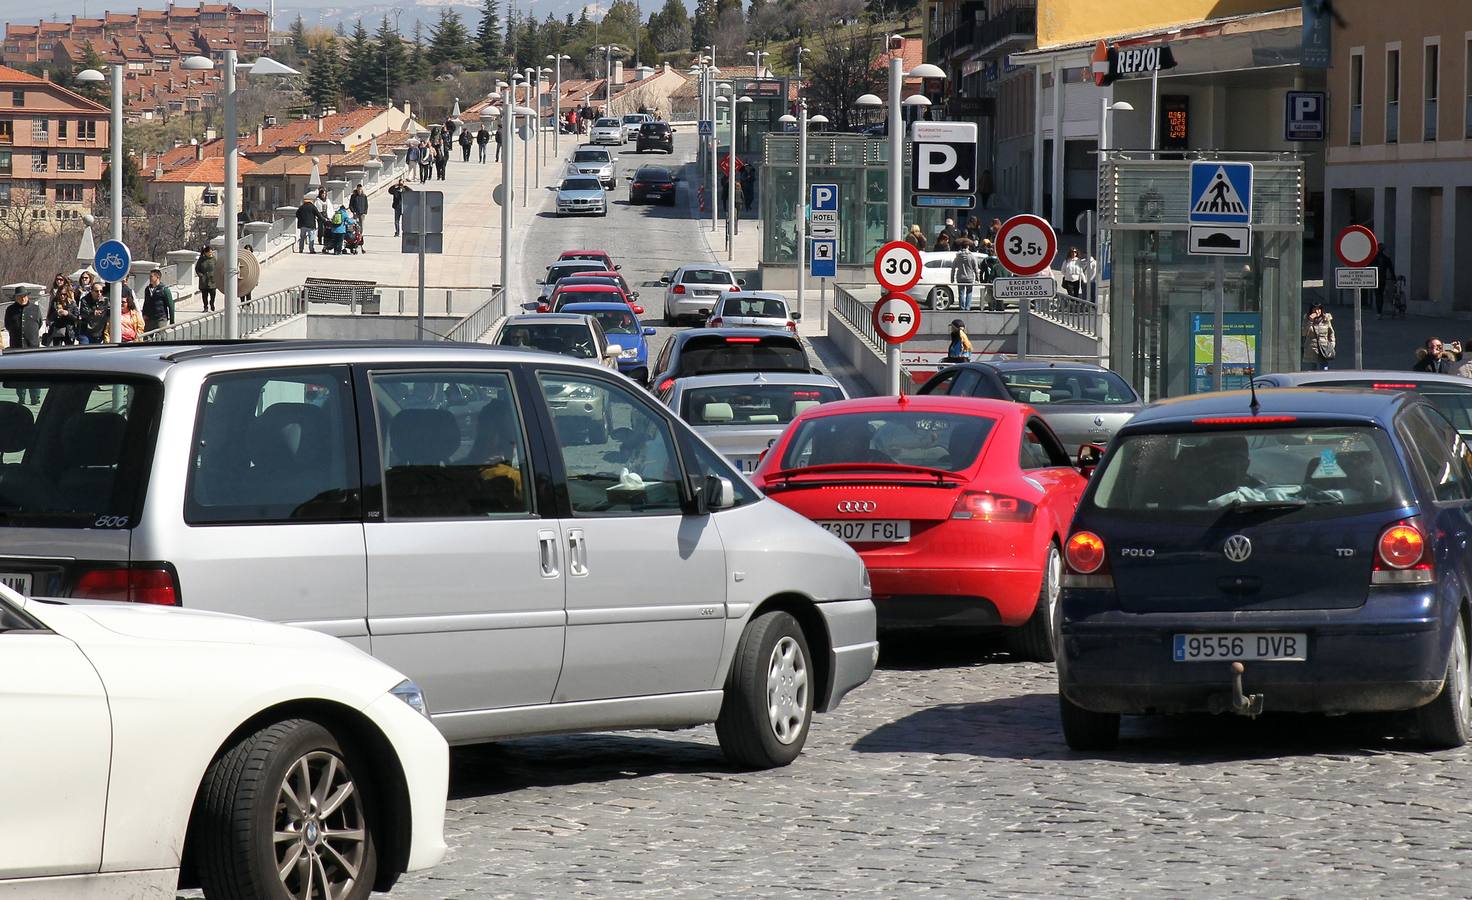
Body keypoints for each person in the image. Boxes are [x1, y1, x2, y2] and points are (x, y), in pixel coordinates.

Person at [4, 286, 43, 353]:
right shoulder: (10, 310)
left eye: (24, 296)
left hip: (32, 347)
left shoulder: (35, 308)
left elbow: (39, 323)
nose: (23, 299)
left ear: (27, 297)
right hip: (16, 346)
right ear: (16, 298)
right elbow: (7, 325)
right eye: (20, 297)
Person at [1302, 302, 1336, 371]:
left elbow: (1331, 333)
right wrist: (1310, 321)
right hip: (1311, 350)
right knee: (1311, 371)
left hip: (1323, 349)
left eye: (1319, 309)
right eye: (1315, 309)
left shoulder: (1326, 319)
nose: (1317, 312)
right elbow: (1304, 333)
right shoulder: (1307, 319)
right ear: (1311, 311)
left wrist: (1332, 344)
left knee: (1324, 370)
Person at [141, 268, 174, 334]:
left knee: (160, 337)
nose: (150, 278)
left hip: (160, 318)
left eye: (151, 276)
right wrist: (144, 314)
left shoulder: (164, 290)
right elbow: (146, 303)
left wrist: (172, 321)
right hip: (149, 318)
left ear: (157, 277)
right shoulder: (147, 289)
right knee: (146, 338)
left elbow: (171, 306)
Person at [953, 238, 980, 312]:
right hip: (969, 277)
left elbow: (953, 267)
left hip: (960, 277)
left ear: (961, 247)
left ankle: (961, 307)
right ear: (968, 247)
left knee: (961, 293)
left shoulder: (958, 256)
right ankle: (967, 307)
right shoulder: (971, 256)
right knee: (969, 292)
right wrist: (977, 278)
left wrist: (952, 277)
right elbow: (976, 269)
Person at [1374, 245, 1397, 318]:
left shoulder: (1373, 258)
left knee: (1378, 295)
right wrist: (1393, 278)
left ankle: (1379, 312)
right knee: (1380, 295)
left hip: (1375, 280)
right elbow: (1391, 269)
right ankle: (1379, 312)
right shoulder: (1386, 258)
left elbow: (1368, 267)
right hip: (1382, 279)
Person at [195, 245, 217, 312]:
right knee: (204, 295)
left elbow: (217, 268)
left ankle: (212, 304)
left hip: (212, 280)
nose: (210, 253)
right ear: (205, 252)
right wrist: (200, 275)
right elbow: (197, 269)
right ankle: (205, 307)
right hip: (204, 281)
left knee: (213, 294)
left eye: (211, 252)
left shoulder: (214, 259)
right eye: (209, 252)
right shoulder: (201, 260)